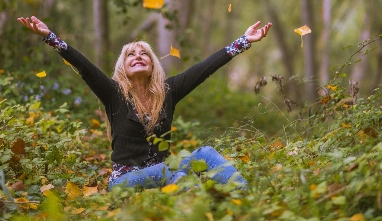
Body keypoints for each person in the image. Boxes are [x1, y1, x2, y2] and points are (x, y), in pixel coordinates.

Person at [17, 16, 272, 191]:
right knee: (175, 174)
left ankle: (245, 198)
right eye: (131, 54)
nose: (138, 56)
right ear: (123, 66)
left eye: (144, 54)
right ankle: (189, 193)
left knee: (203, 155)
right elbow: (83, 66)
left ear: (153, 66)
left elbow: (204, 68)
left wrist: (244, 41)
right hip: (125, 180)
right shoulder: (113, 93)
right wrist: (50, 36)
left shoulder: (168, 91)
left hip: (166, 170)